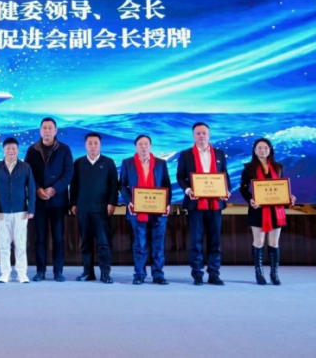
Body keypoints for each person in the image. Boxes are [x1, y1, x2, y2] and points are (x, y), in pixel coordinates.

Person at [176, 122, 231, 286]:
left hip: (216, 204)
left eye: (204, 133)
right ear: (193, 136)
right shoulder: (186, 154)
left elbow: (225, 175)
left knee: (215, 241)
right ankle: (197, 274)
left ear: (209, 135)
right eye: (198, 133)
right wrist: (188, 190)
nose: (201, 136)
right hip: (195, 205)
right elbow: (180, 177)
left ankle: (214, 273)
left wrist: (226, 190)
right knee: (196, 240)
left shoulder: (219, 154)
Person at [239, 138, 296, 285]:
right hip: (257, 210)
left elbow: (281, 187)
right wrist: (250, 199)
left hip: (276, 210)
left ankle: (274, 273)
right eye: (259, 148)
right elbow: (243, 188)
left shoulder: (278, 167)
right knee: (258, 242)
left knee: (274, 242)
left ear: (270, 150)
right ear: (254, 150)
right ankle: (259, 273)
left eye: (265, 147)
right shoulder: (248, 168)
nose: (262, 150)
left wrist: (289, 197)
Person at [24, 117, 73, 282]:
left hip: (58, 201)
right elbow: (28, 174)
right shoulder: (32, 150)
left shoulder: (65, 149)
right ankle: (40, 271)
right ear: (40, 131)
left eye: (50, 128)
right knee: (40, 238)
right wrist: (38, 189)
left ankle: (58, 271)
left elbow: (68, 173)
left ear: (55, 131)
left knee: (58, 238)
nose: (47, 130)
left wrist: (54, 189)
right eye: (44, 128)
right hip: (39, 201)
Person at [119, 134, 171, 285]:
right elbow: (122, 185)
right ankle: (139, 274)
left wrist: (167, 203)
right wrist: (129, 201)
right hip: (137, 210)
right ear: (135, 147)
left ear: (150, 146)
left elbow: (167, 185)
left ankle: (158, 275)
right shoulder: (127, 163)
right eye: (140, 144)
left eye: (146, 144)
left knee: (158, 244)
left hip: (158, 211)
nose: (143, 147)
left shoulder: (161, 163)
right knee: (140, 244)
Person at [70, 132, 118, 284]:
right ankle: (88, 272)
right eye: (90, 143)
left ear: (100, 145)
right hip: (83, 209)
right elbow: (74, 185)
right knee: (85, 242)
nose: (92, 146)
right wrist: (73, 203)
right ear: (85, 145)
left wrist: (112, 203)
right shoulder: (78, 163)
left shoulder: (108, 162)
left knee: (104, 243)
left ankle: (105, 273)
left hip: (102, 210)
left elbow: (114, 185)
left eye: (95, 143)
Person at [0, 137, 36, 283]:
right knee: (3, 245)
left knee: (20, 244)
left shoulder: (25, 167)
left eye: (14, 148)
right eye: (8, 148)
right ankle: (5, 273)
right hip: (2, 212)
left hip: (21, 211)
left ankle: (22, 273)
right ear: (3, 150)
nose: (11, 151)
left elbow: (32, 189)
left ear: (18, 150)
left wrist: (31, 208)